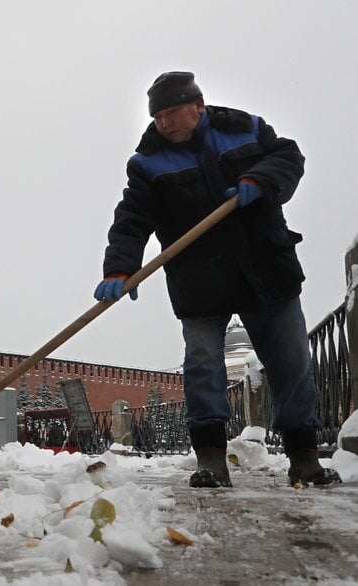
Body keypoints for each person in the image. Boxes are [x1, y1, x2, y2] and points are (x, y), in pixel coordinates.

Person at [95, 71, 341, 488]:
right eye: (158, 117)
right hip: (199, 279)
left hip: (266, 268)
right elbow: (132, 217)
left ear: (198, 105)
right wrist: (119, 267)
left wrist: (262, 180)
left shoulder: (245, 129)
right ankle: (210, 460)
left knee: (292, 362)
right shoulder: (148, 162)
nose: (165, 124)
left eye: (172, 113)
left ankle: (304, 458)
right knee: (203, 364)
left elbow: (287, 157)